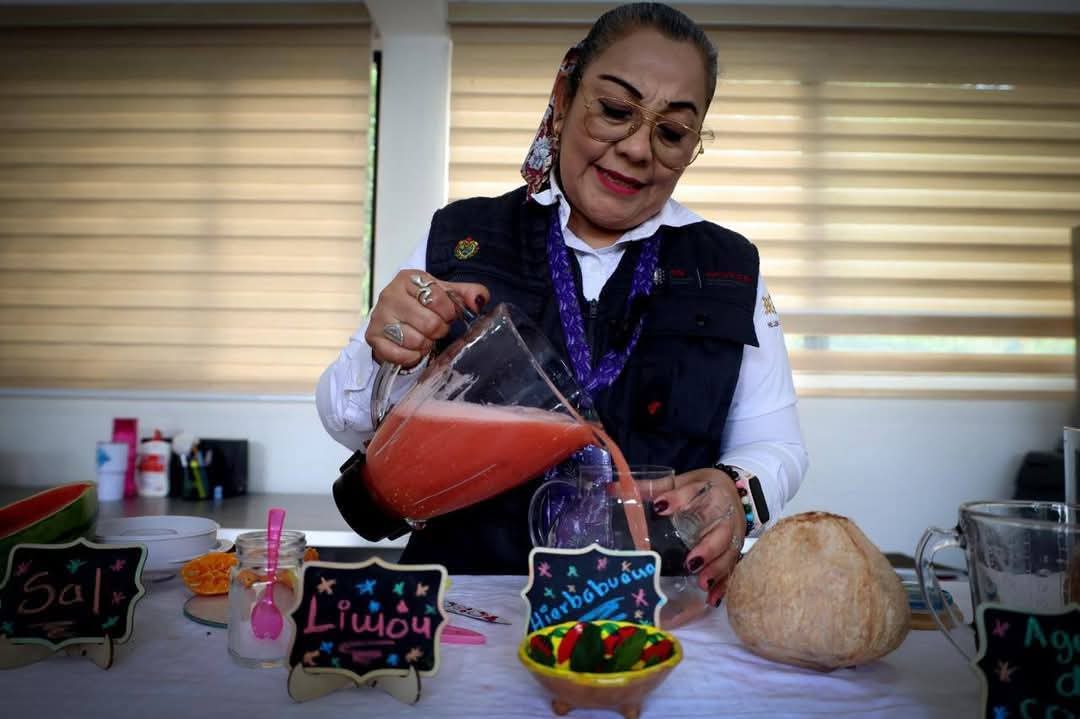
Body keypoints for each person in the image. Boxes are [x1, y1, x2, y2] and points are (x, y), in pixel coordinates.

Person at [317, 2, 808, 606]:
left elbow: (777, 445)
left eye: (672, 132)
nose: (638, 148)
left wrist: (737, 492)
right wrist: (394, 348)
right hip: (469, 604)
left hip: (650, 610)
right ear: (565, 96)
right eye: (616, 110)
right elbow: (346, 420)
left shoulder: (730, 267)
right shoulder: (462, 236)